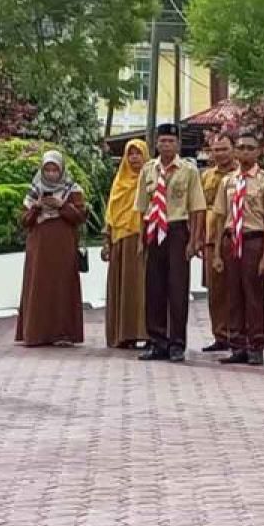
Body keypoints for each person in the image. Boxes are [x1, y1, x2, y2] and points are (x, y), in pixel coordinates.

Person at [136, 123, 207, 363]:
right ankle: (157, 341)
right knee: (154, 288)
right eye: (162, 141)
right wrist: (140, 239)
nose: (166, 145)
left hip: (177, 229)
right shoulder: (148, 170)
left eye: (171, 141)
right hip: (154, 229)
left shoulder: (188, 170)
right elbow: (141, 208)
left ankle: (177, 343)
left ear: (177, 144)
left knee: (177, 288)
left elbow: (197, 207)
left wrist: (194, 240)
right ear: (156, 144)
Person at [212, 131, 264, 366]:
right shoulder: (228, 181)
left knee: (253, 296)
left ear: (258, 151)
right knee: (233, 295)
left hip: (253, 239)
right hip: (231, 240)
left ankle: (256, 345)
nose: (244, 152)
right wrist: (217, 253)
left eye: (250, 148)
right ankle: (237, 344)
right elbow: (220, 217)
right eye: (240, 148)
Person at [15, 150, 87, 347]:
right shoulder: (34, 190)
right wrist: (37, 207)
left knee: (62, 286)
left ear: (62, 169)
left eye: (55, 169)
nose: (51, 173)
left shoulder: (73, 190)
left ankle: (63, 333)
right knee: (39, 286)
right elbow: (24, 220)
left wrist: (62, 206)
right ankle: (37, 333)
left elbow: (80, 217)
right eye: (47, 169)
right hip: (39, 247)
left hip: (63, 246)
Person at [103, 139, 150, 349]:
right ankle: (124, 335)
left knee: (143, 287)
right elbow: (110, 215)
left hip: (144, 239)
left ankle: (147, 333)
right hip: (120, 242)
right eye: (130, 154)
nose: (134, 158)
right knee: (122, 288)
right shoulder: (119, 182)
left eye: (138, 153)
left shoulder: (151, 180)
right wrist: (107, 241)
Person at [200, 133, 237, 352]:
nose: (220, 153)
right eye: (216, 150)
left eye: (224, 149)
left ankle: (238, 334)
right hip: (211, 238)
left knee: (236, 287)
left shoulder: (241, 176)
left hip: (235, 235)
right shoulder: (206, 176)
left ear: (233, 150)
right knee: (215, 290)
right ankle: (220, 334)